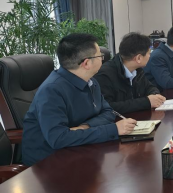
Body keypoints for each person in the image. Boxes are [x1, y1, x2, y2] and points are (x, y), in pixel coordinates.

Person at [22, 33, 137, 166]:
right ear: (86, 63)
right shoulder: (52, 90)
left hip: (80, 150)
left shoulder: (91, 82)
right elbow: (58, 138)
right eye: (100, 56)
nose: (103, 59)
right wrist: (113, 130)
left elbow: (108, 112)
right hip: (49, 163)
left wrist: (85, 127)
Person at [96, 32, 166, 114]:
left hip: (135, 117)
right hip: (118, 120)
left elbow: (150, 87)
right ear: (138, 58)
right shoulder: (105, 75)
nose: (150, 56)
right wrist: (146, 102)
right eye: (149, 53)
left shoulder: (137, 70)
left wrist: (155, 96)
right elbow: (108, 107)